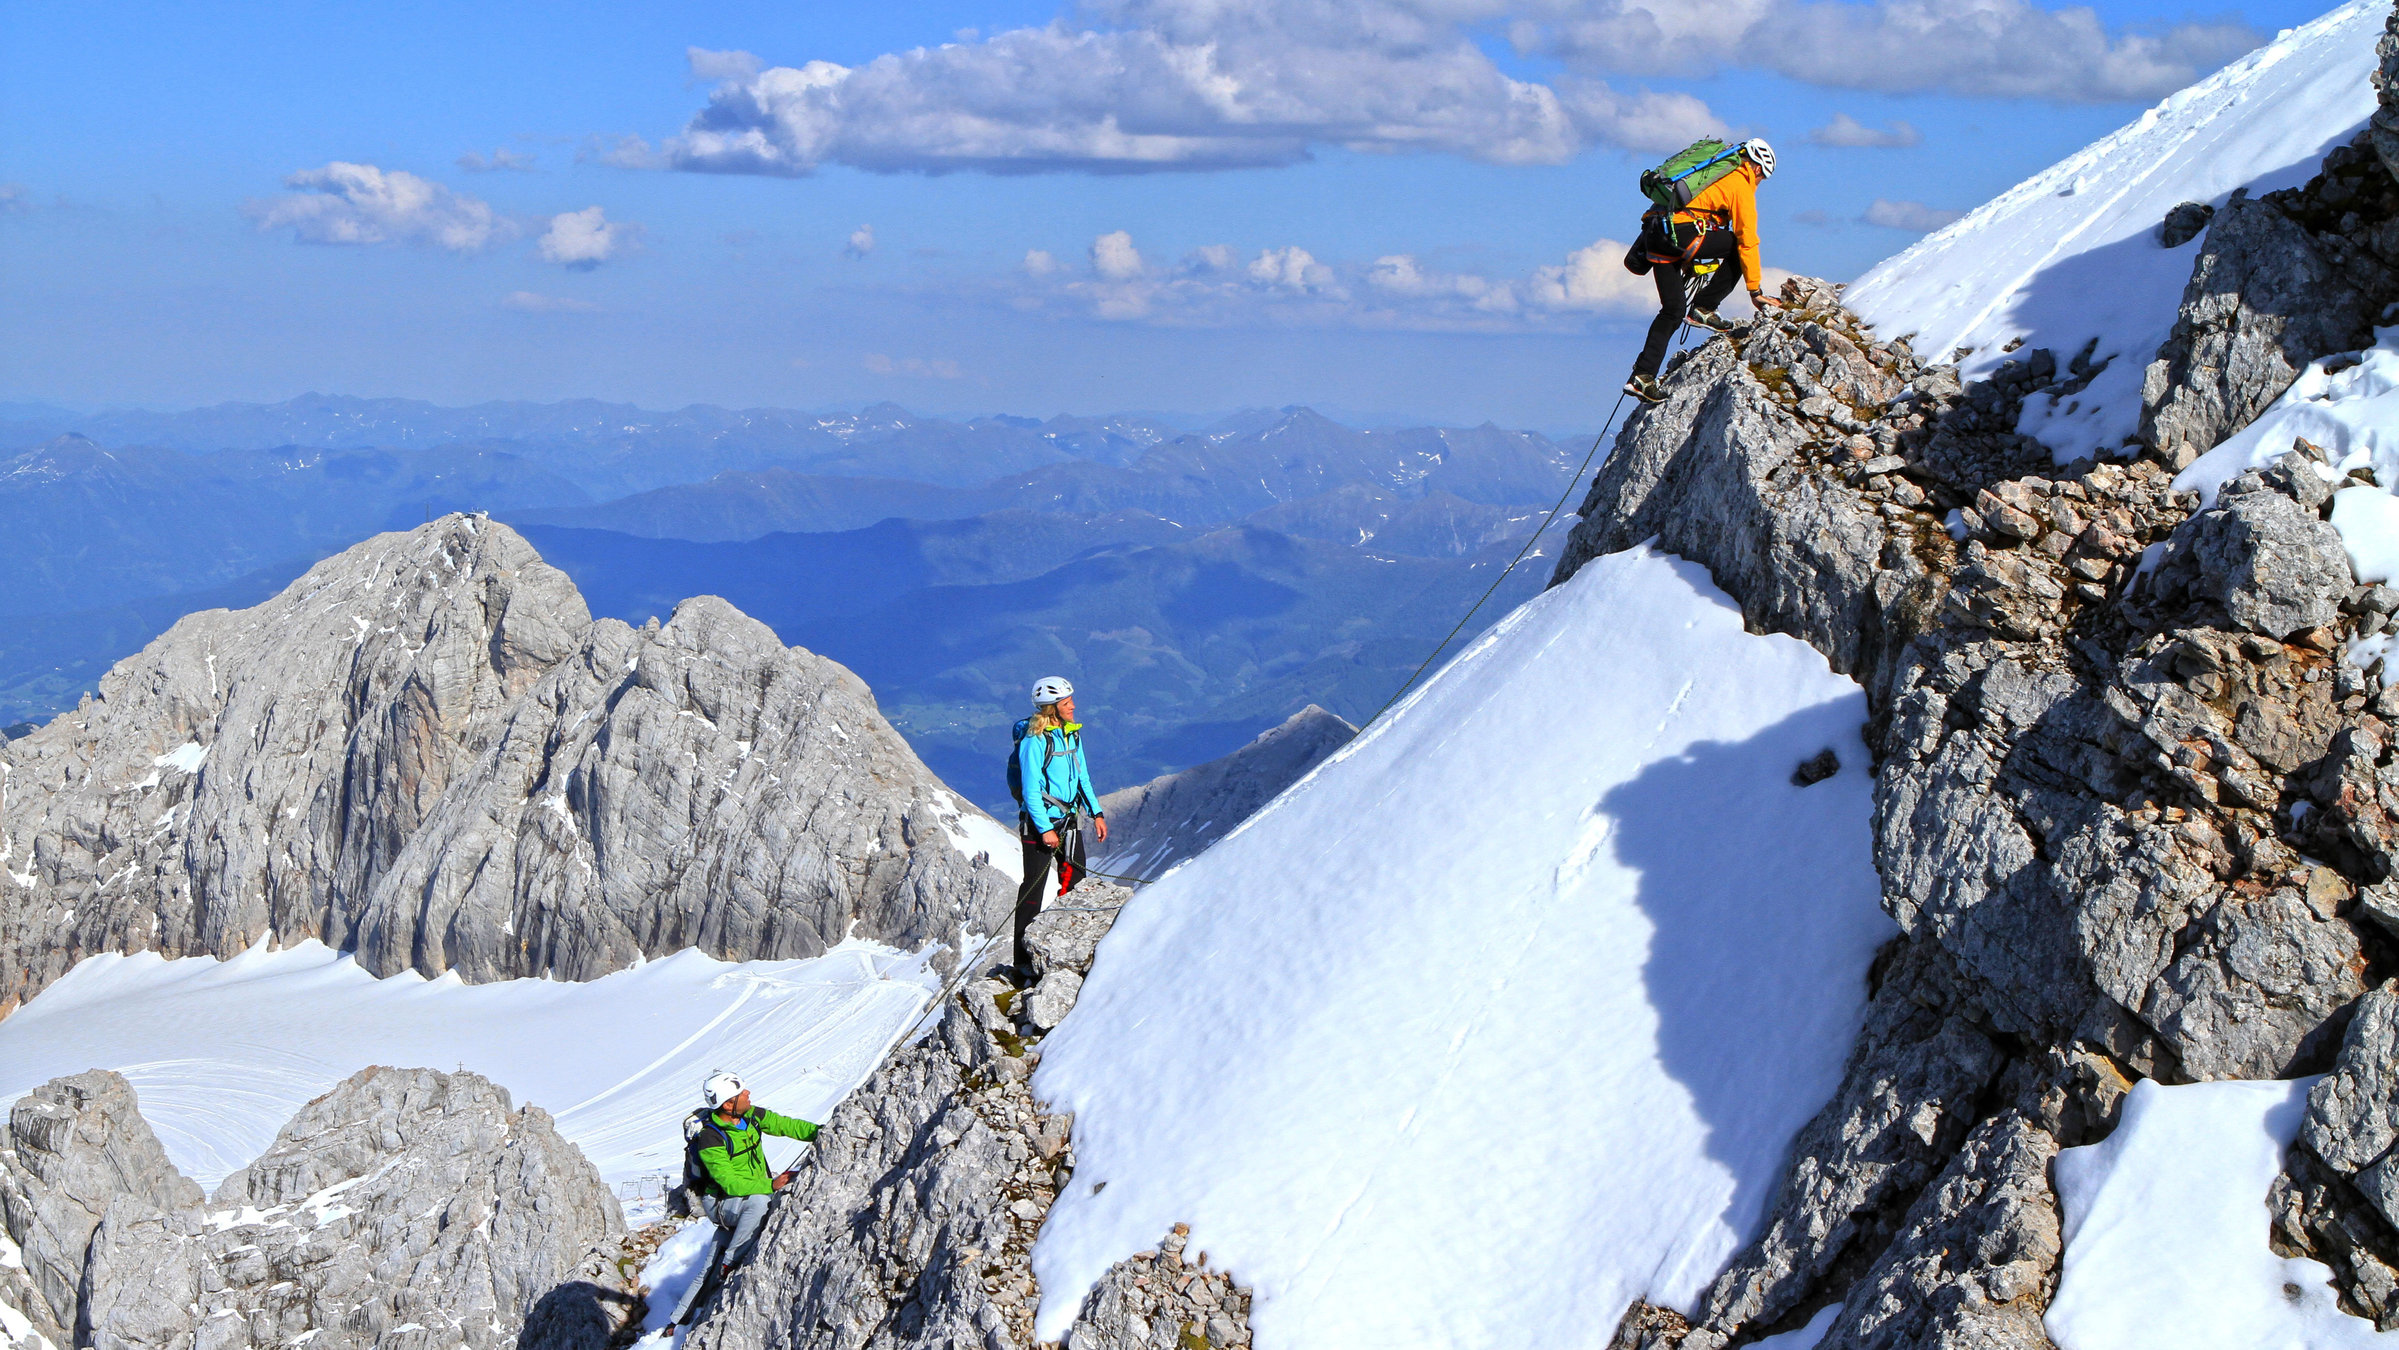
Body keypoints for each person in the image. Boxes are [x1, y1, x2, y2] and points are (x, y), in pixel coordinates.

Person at [1622, 138, 1779, 405]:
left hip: (1657, 235)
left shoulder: (1709, 175)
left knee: (1672, 311)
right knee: (1736, 246)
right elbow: (1747, 239)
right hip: (1681, 235)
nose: (1760, 182)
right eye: (1762, 176)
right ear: (1755, 168)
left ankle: (1643, 377)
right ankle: (1705, 308)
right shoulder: (1739, 183)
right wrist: (1755, 290)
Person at [668, 1070, 820, 1325]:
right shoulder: (710, 1137)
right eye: (741, 1093)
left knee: (708, 1267)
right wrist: (770, 1184)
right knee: (760, 1203)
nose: (748, 1094)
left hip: (746, 1195)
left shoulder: (750, 1115)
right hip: (721, 1203)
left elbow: (786, 1125)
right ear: (728, 1104)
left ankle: (676, 1321)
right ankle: (731, 1262)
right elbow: (728, 1181)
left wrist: (823, 1132)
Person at [1013, 676, 1106, 977]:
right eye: (1067, 703)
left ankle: (1066, 950)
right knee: (1033, 891)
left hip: (1069, 821)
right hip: (1040, 827)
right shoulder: (1034, 740)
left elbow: (1083, 777)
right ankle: (1023, 963)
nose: (1074, 706)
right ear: (1052, 708)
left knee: (1076, 882)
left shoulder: (1071, 735)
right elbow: (1029, 791)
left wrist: (1097, 812)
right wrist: (1044, 830)